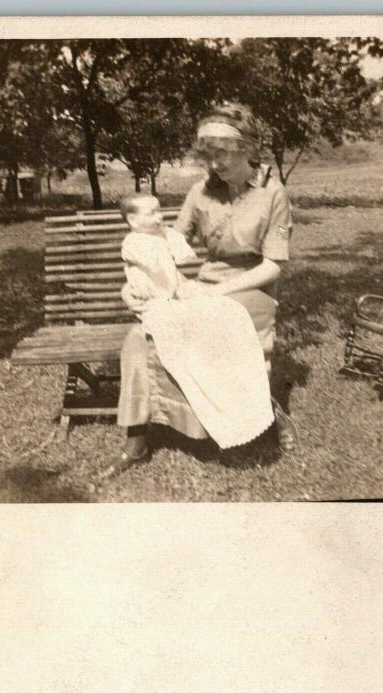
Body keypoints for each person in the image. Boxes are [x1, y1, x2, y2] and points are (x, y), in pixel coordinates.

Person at [101, 103, 295, 480]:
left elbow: (273, 265)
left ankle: (265, 414)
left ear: (248, 150)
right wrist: (132, 287)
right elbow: (164, 242)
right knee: (139, 336)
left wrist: (215, 291)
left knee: (206, 326)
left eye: (222, 153)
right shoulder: (201, 190)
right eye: (209, 155)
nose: (215, 163)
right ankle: (136, 442)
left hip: (252, 288)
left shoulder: (273, 194)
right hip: (202, 286)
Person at [120, 193, 199, 302]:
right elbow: (148, 262)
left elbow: (176, 240)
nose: (160, 216)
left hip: (169, 277)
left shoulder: (164, 232)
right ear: (132, 220)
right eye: (151, 213)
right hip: (148, 281)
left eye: (159, 211)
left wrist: (182, 253)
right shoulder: (132, 242)